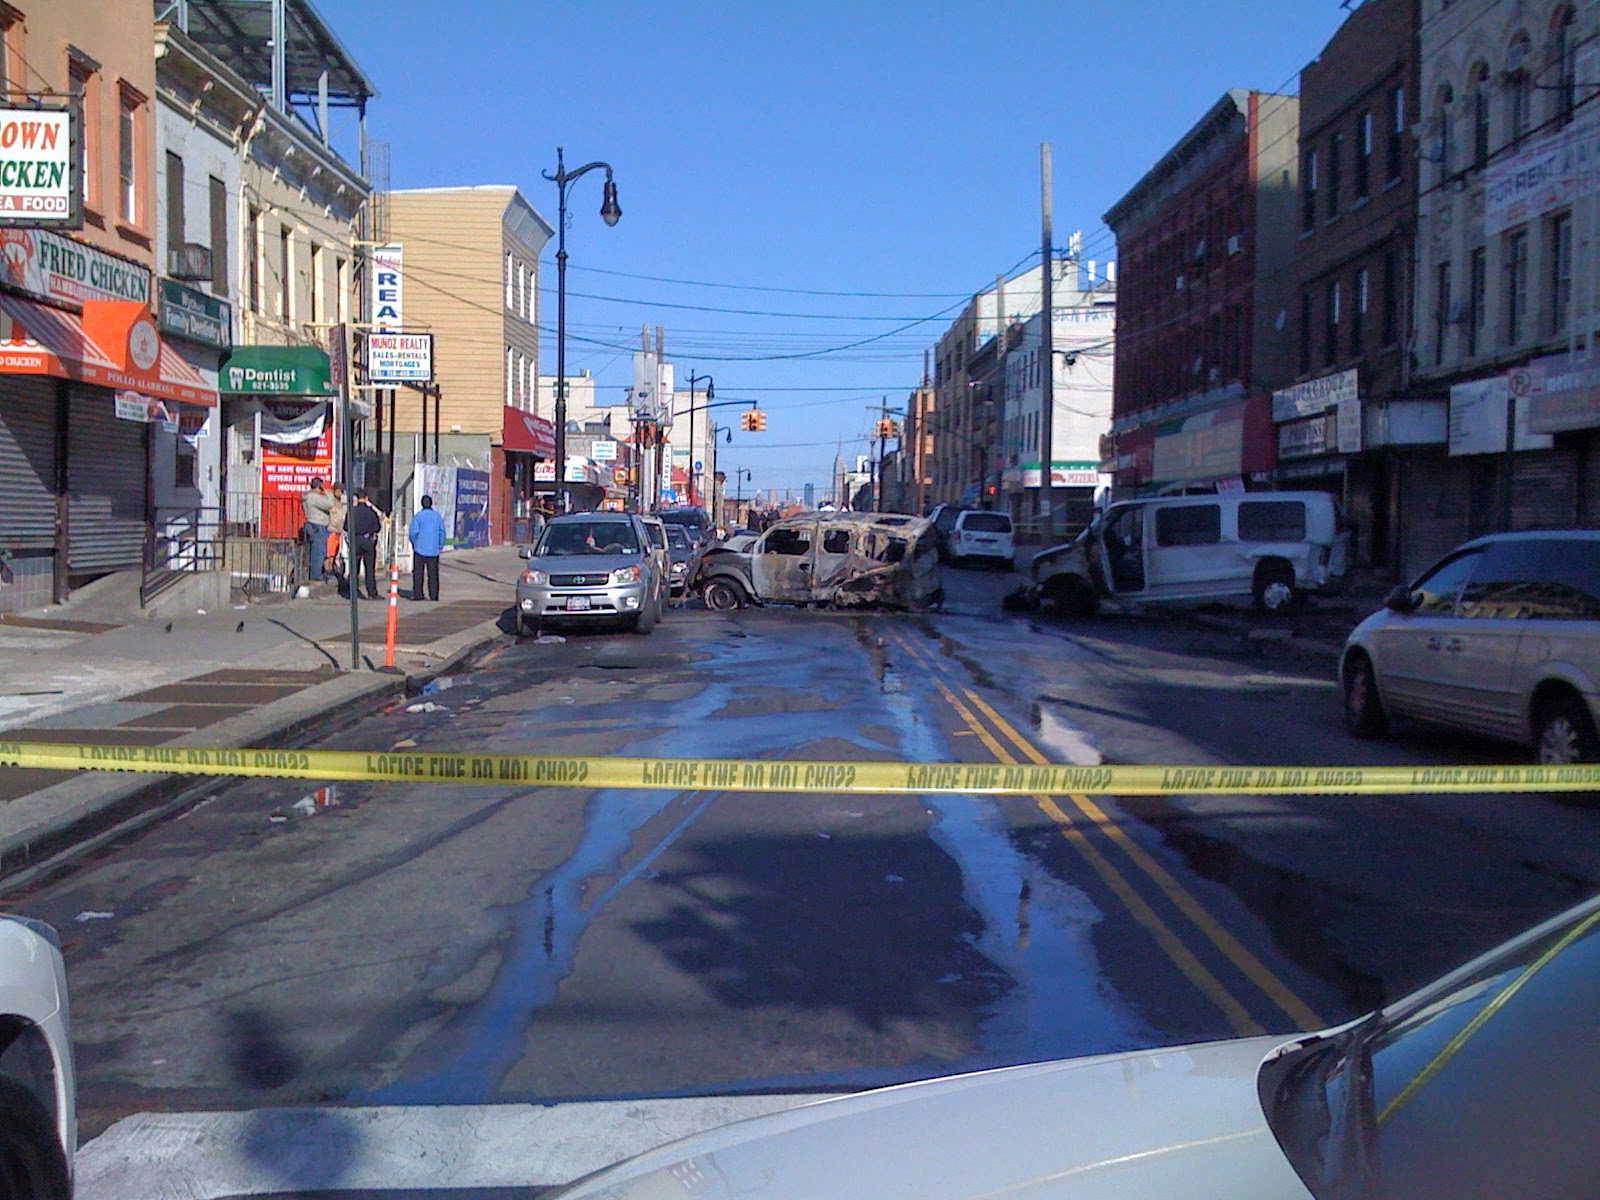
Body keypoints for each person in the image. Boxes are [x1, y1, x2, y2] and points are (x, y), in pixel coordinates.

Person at [408, 494, 446, 601]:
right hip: (433, 550)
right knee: (433, 574)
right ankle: (434, 595)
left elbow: (413, 533)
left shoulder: (418, 516)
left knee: (418, 573)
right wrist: (440, 545)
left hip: (420, 548)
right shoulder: (437, 516)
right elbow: (442, 532)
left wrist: (415, 543)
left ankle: (418, 594)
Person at [348, 489, 385, 599]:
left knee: (354, 568)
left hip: (355, 540)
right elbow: (377, 527)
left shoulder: (352, 511)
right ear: (367, 498)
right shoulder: (371, 512)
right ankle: (372, 593)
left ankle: (353, 592)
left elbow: (346, 526)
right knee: (369, 568)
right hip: (368, 540)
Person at [301, 477, 333, 581]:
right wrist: (327, 494)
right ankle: (316, 575)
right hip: (318, 526)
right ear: (319, 486)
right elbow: (329, 505)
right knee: (319, 552)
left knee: (313, 551)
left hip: (311, 524)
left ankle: (313, 573)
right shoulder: (314, 497)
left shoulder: (307, 497)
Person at [324, 484, 348, 582]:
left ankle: (331, 570)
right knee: (329, 553)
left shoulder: (341, 501)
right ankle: (327, 570)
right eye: (338, 491)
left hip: (339, 531)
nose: (340, 493)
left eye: (341, 491)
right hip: (331, 529)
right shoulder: (329, 500)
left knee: (335, 553)